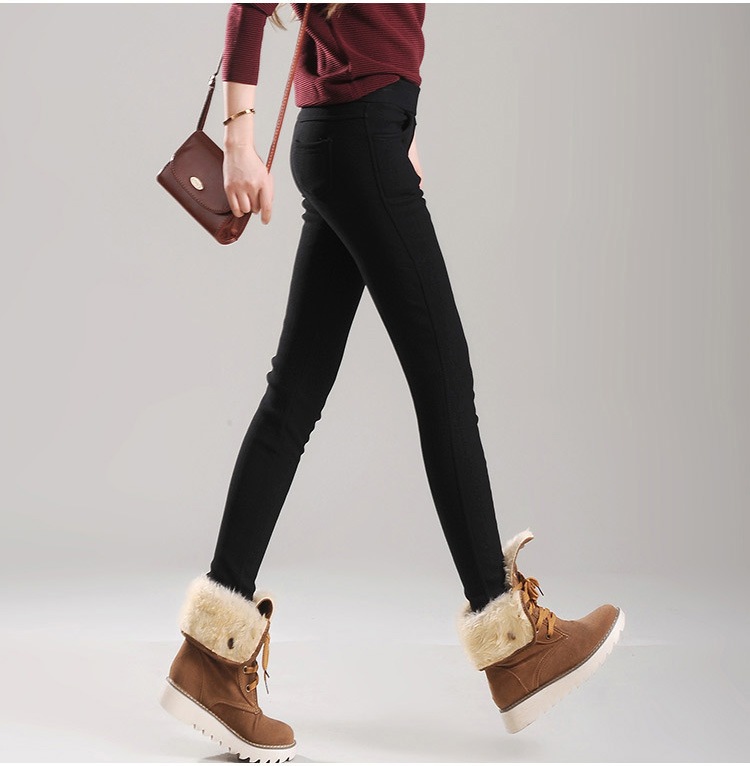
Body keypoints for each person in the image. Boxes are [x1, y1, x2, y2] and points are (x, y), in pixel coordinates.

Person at [159, 4, 625, 760]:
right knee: (443, 384)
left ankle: (209, 657)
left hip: (356, 133)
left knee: (293, 399)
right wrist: (239, 141)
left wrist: (399, 127)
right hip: (357, 136)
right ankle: (515, 649)